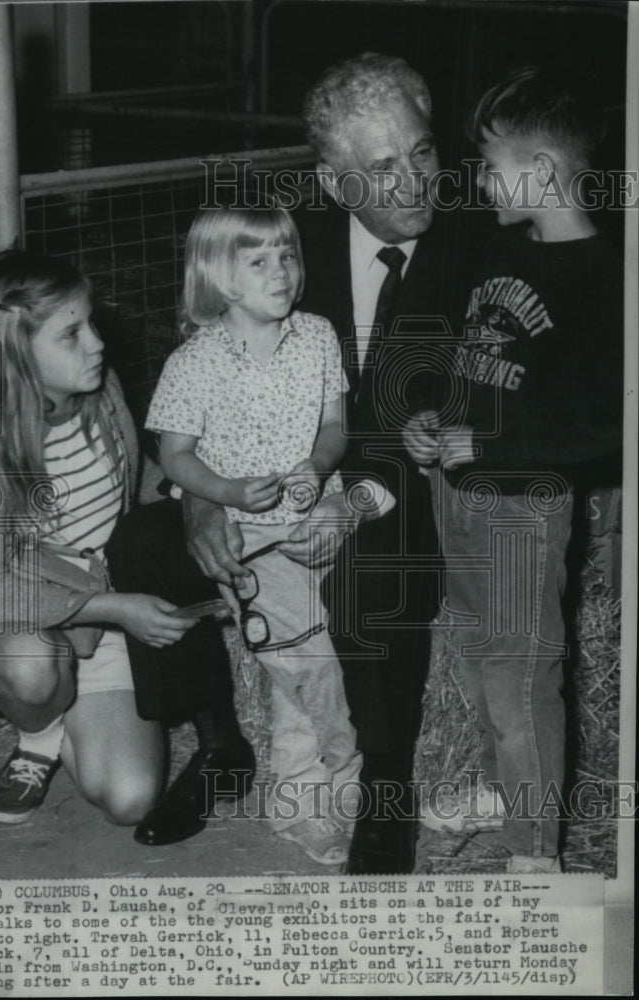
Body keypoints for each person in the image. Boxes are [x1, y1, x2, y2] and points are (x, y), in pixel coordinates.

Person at [185, 53, 483, 873]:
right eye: (382, 168)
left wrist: (352, 500)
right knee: (144, 545)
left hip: (410, 482)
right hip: (273, 475)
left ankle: (385, 785)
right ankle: (216, 736)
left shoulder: (480, 246)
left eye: (421, 153)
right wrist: (197, 497)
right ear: (334, 181)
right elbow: (206, 373)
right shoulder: (287, 248)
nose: (414, 182)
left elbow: (448, 415)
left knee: (363, 572)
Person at [403, 66, 623, 873]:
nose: (477, 178)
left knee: (521, 678)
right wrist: (433, 418)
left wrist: (491, 446)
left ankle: (536, 861)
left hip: (521, 503)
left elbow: (608, 418)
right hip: (456, 491)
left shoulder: (605, 279)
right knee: (475, 650)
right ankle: (507, 790)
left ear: (538, 172)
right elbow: (476, 360)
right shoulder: (501, 248)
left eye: (490, 162)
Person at [0, 250, 209, 829]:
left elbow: (137, 482)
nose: (97, 344)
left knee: (130, 799)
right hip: (7, 628)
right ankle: (37, 733)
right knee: (33, 661)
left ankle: (71, 711)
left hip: (100, 612)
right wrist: (108, 606)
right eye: (71, 334)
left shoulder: (101, 390)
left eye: (92, 323)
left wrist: (199, 502)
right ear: (16, 353)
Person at [144, 204, 363, 865]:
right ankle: (337, 780)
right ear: (218, 278)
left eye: (288, 256)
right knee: (302, 662)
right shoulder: (196, 360)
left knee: (322, 656)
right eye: (259, 261)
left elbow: (334, 427)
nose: (282, 272)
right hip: (249, 541)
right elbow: (174, 455)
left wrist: (318, 467)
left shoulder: (318, 336)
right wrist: (228, 492)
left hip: (319, 524)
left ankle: (302, 799)